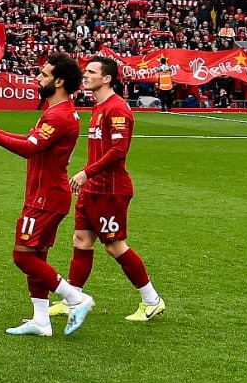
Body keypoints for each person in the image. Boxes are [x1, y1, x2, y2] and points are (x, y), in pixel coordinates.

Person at [0, 53, 95, 337]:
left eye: (43, 75)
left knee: (23, 257)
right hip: (45, 194)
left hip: (46, 198)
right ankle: (41, 321)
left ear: (58, 81)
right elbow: (30, 142)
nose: (38, 78)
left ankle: (75, 298)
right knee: (37, 256)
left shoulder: (58, 115)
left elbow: (27, 149)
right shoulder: (57, 112)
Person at [54, 56, 166, 324]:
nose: (86, 75)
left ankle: (152, 301)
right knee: (81, 240)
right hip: (94, 187)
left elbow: (118, 151)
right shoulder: (100, 107)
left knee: (115, 246)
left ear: (107, 79)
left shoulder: (117, 109)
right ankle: (73, 298)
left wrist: (86, 172)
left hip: (111, 189)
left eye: (91, 72)